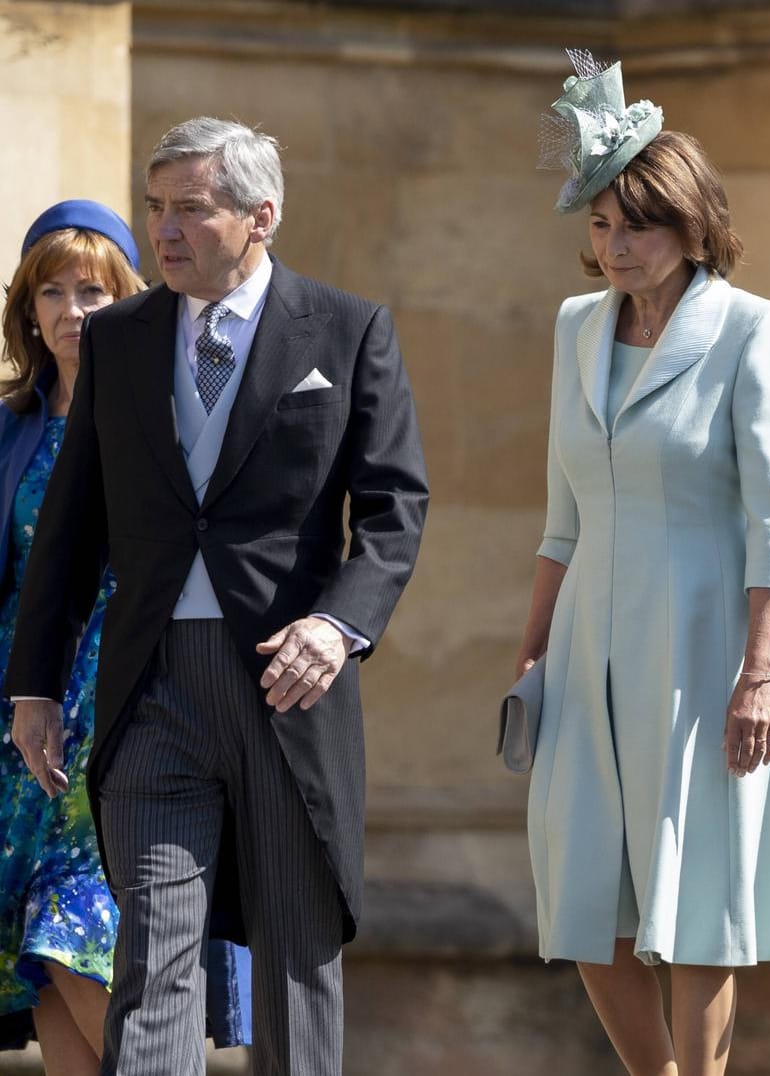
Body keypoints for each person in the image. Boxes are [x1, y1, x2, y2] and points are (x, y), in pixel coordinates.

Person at [4, 118, 429, 1076]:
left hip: (291, 689)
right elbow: (71, 525)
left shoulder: (349, 328)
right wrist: (34, 683)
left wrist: (339, 623)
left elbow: (398, 506)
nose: (164, 230)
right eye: (156, 208)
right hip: (150, 690)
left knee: (294, 970)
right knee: (152, 969)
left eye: (189, 209)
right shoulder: (118, 339)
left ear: (260, 216)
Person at [516, 51, 770, 1076]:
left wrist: (760, 671)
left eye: (639, 223)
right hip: (584, 648)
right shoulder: (575, 328)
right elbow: (560, 521)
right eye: (602, 224)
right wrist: (530, 658)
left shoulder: (757, 329)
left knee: (697, 891)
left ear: (693, 225)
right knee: (581, 891)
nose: (616, 245)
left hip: (708, 647)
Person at [0, 200, 252, 1073]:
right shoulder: (8, 425)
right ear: (28, 311)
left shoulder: (173, 407)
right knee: (40, 959)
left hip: (131, 701)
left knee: (79, 926)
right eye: (54, 293)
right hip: (19, 712)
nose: (74, 311)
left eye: (96, 291)